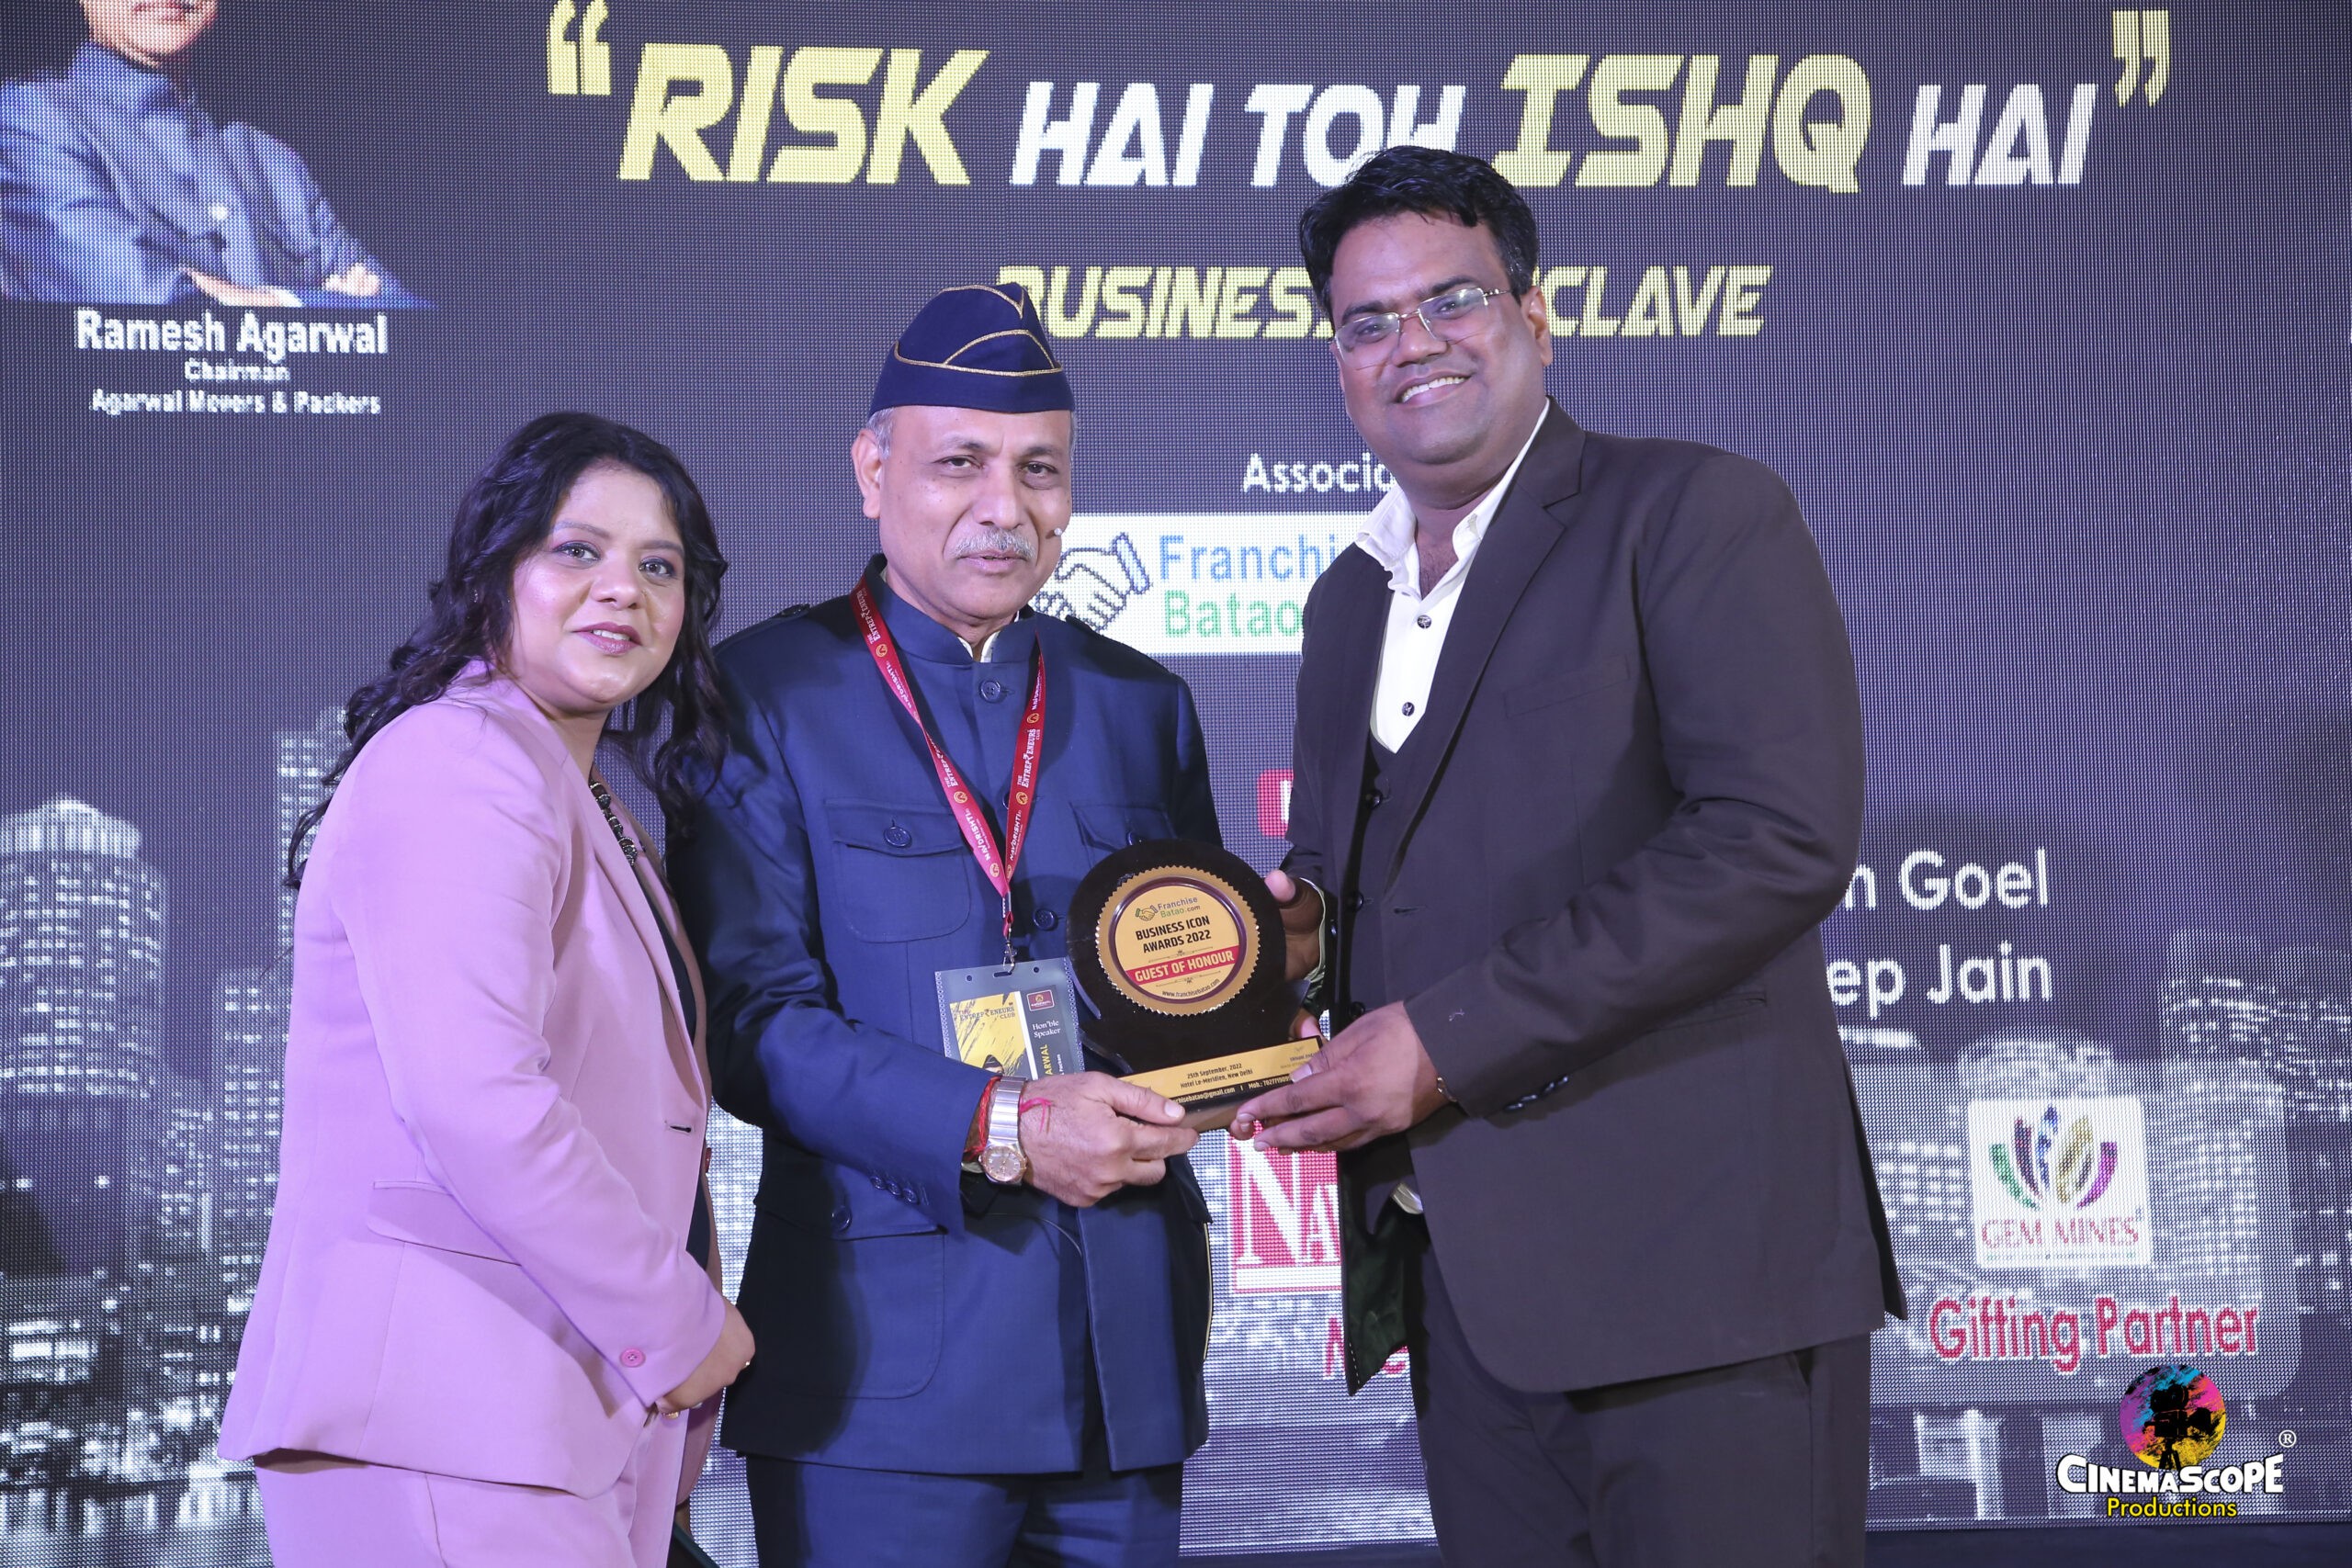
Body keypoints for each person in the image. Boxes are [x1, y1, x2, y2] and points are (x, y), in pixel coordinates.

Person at [1231, 147, 1907, 1568]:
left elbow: (1774, 837)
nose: (1412, 342)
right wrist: (1281, 942)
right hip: (1468, 1294)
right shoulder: (1348, 599)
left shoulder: (1692, 511)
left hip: (1700, 1285)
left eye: (1452, 299)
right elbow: (1362, 874)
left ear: (1534, 315)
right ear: (1338, 363)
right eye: (1367, 320)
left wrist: (1447, 1034)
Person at [668, 282, 1211, 1568]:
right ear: (873, 471)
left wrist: (1265, 976)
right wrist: (1001, 1124)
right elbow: (749, 1022)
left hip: (1126, 1365)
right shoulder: (760, 695)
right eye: (959, 463)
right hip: (884, 1382)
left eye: (1040, 469)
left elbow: (1182, 1001)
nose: (1003, 506)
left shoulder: (1141, 702)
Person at [218, 412, 752, 1567]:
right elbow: (475, 1100)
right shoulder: (463, 762)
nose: (623, 590)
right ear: (494, 572)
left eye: (659, 567)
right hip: (442, 1419)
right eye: (577, 551)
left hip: (523, 1424)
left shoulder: (573, 792)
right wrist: (678, 1321)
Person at [0, 0, 421, 305]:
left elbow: (405, 320)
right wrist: (310, 305)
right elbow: (137, 301)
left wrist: (250, 300)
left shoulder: (268, 160)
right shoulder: (29, 117)